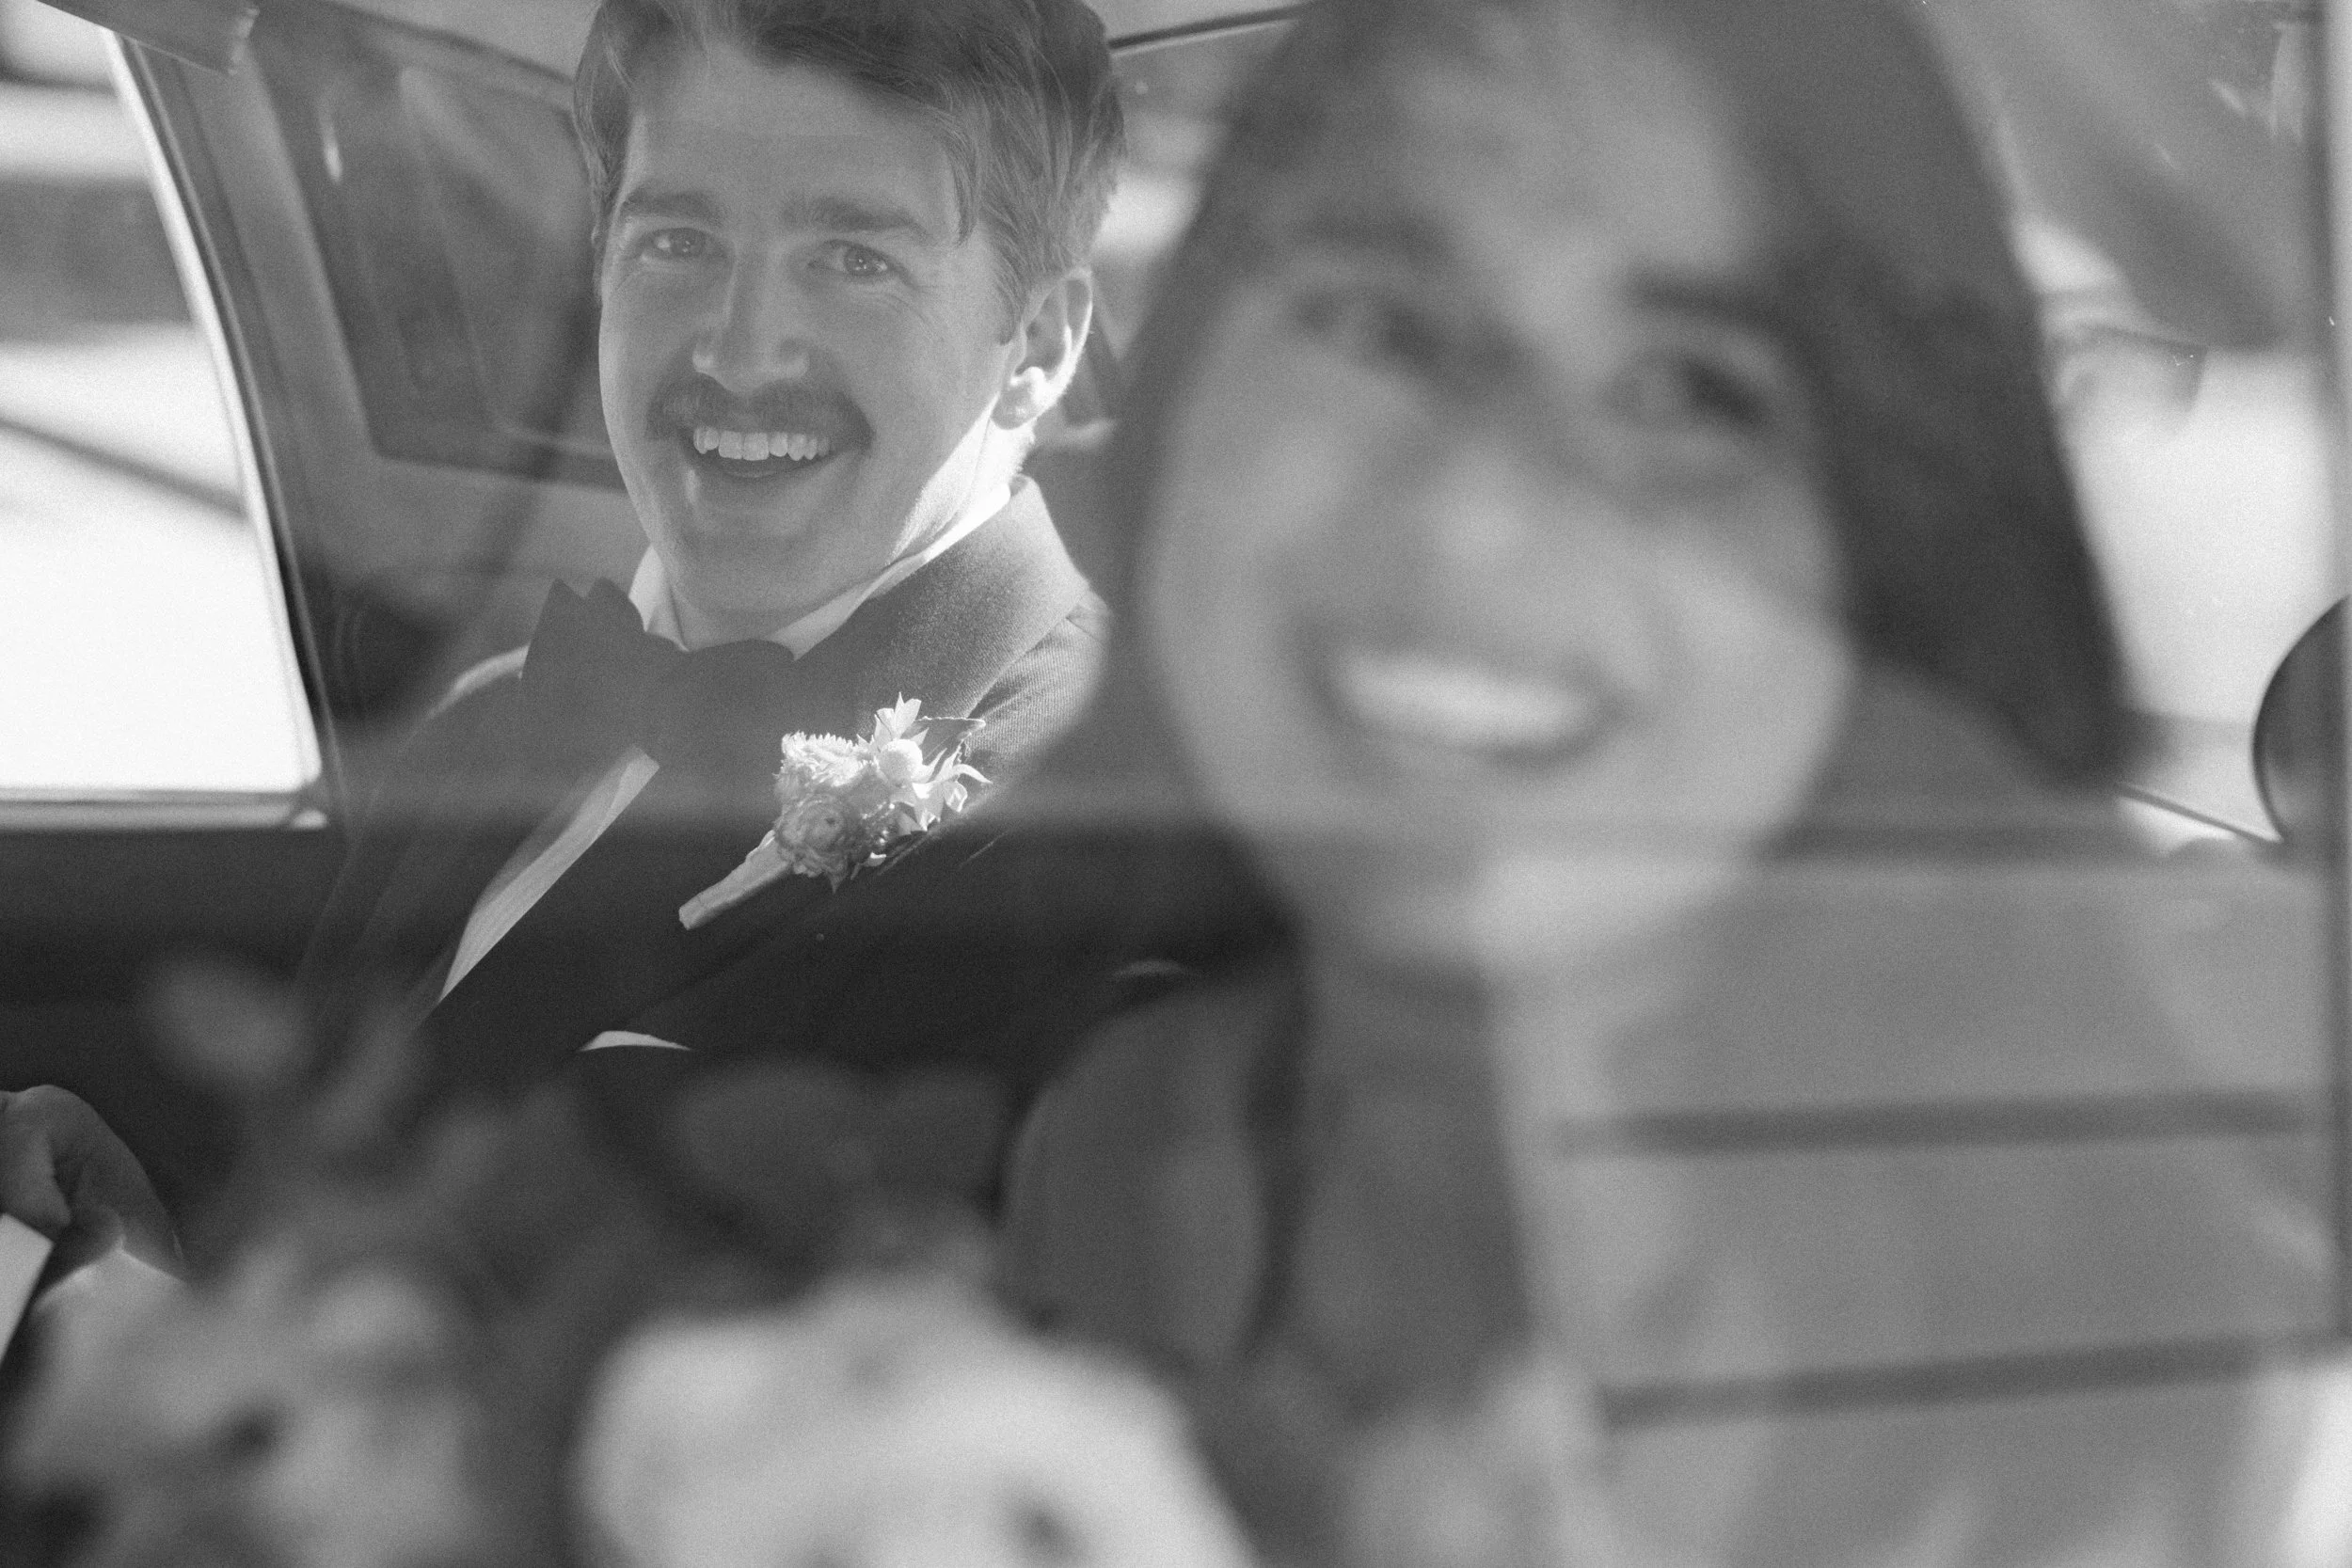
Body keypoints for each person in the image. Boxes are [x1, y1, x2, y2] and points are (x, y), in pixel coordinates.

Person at [998, 0, 2328, 1562]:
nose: (1478, 516)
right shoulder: (1099, 1147)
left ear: (1891, 560)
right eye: (1382, 325)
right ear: (1173, 412)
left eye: (1689, 394)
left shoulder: (2151, 1377)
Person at [0, 0, 1124, 1270]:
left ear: (1036, 343)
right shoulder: (498, 719)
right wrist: (124, 1246)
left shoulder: (1081, 834)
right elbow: (337, 1264)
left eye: (853, 259)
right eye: (679, 241)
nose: (742, 349)